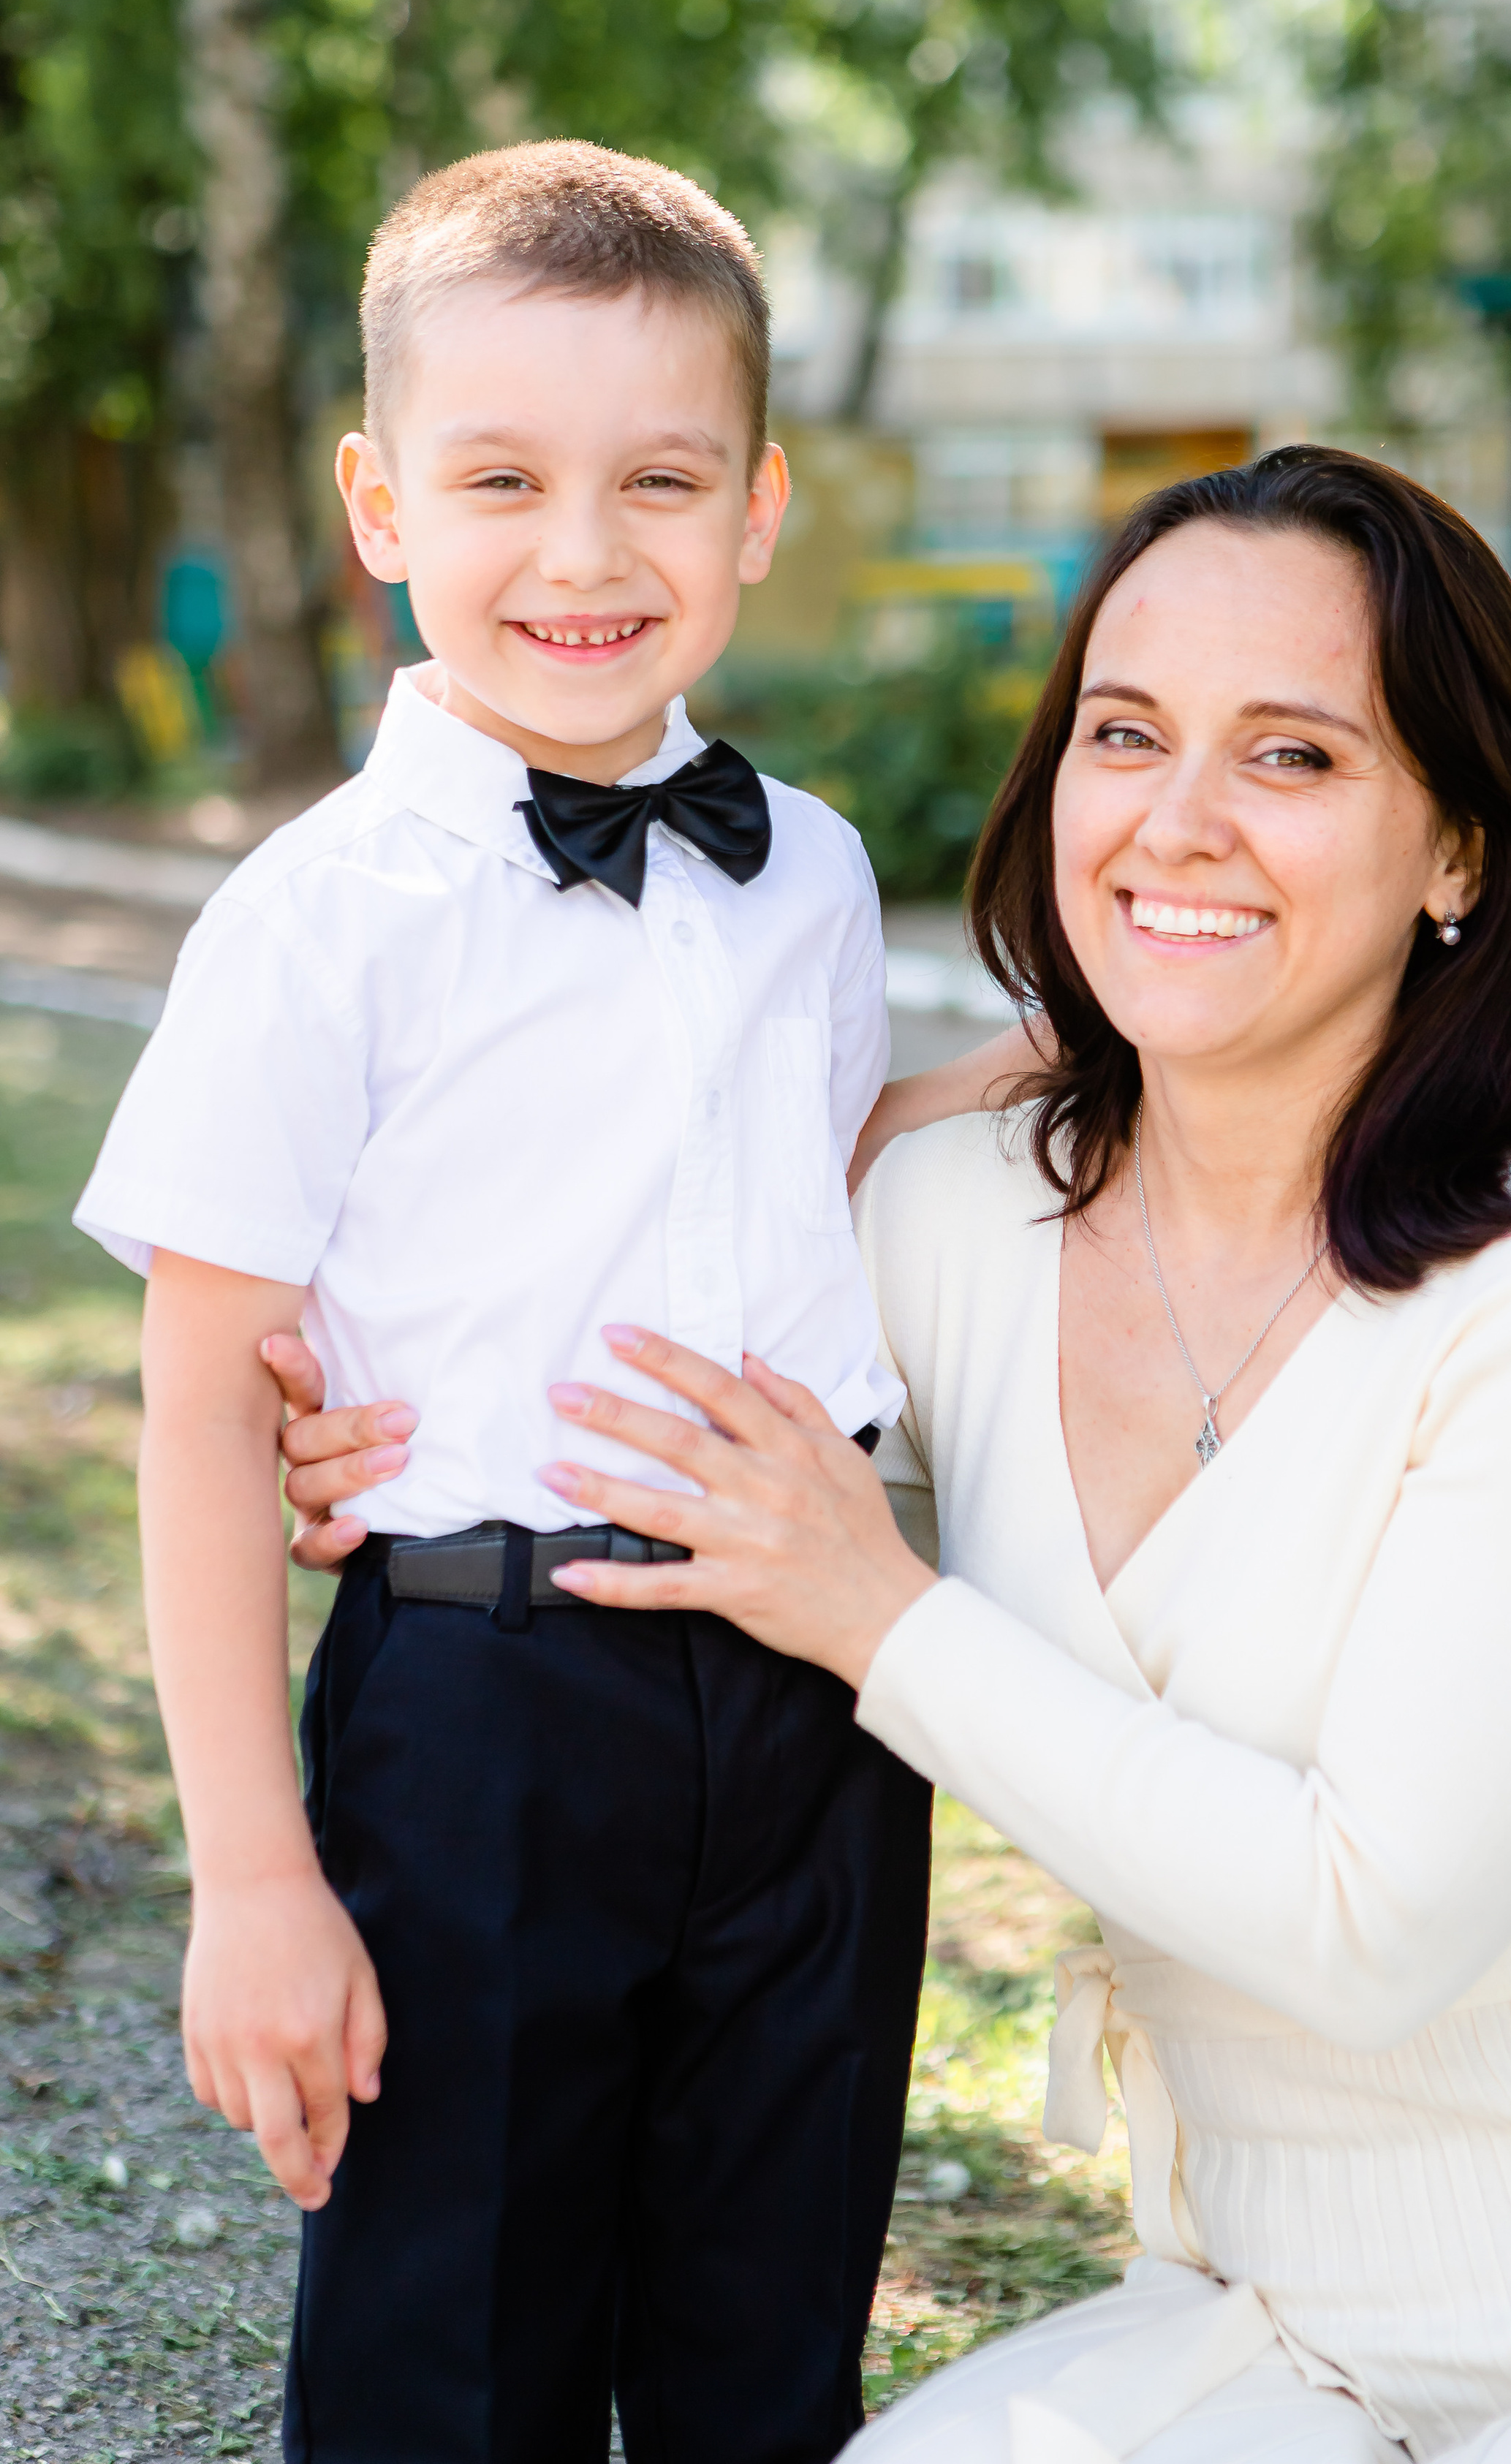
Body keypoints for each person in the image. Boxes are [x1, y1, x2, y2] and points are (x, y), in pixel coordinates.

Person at [285, 445, 1511, 2459]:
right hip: (1263, 2320)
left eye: (1292, 757)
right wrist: (365, 1424)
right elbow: (641, 1377)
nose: (1177, 823)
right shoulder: (954, 1224)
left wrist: (891, 1619)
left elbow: (1363, 1932)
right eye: (1128, 735)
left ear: (1459, 851)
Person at [72, 139, 1025, 2464]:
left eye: (659, 481)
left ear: (761, 506)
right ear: (380, 504)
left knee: (765, 2336)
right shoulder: (320, 917)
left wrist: (1022, 1078)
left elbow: (775, 1189)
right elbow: (204, 1409)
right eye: (501, 480)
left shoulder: (804, 866)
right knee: (451, 2365)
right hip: (485, 1711)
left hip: (819, 1697)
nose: (585, 554)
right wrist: (259, 1881)